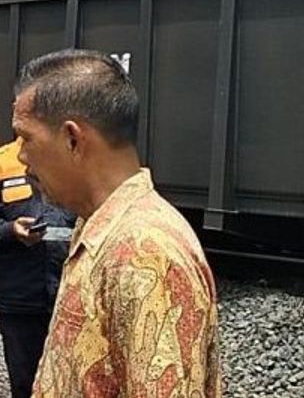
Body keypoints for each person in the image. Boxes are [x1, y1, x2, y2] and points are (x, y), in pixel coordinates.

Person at [14, 49, 220, 397]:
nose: (20, 155)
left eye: (26, 137)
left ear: (73, 139)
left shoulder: (142, 253)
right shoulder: (101, 228)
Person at [0, 139, 75, 398]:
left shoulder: (76, 157)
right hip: (18, 295)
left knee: (69, 381)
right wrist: (9, 230)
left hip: (70, 294)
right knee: (25, 381)